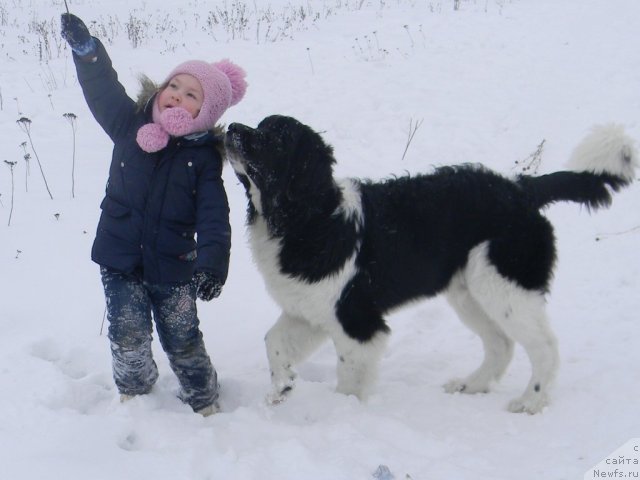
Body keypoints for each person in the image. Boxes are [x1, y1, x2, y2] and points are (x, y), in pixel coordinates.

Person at [60, 13, 247, 416]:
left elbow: (215, 217)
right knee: (127, 334)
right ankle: (135, 391)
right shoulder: (129, 124)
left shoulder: (203, 160)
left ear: (206, 112)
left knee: (183, 338)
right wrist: (88, 55)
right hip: (120, 257)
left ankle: (203, 397)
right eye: (174, 85)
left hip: (175, 267)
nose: (177, 95)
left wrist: (213, 264)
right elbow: (103, 91)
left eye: (191, 95)